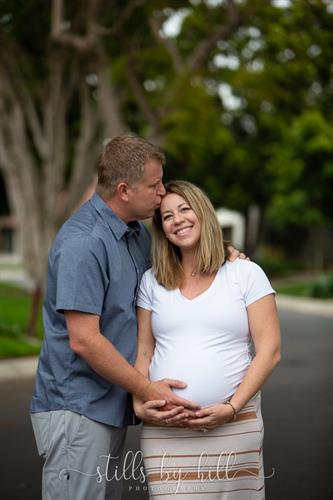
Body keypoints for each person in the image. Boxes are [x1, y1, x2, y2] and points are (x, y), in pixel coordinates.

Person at [29, 135, 243, 500]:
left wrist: (222, 250)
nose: (162, 192)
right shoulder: (85, 242)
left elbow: (174, 268)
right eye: (154, 184)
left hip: (108, 405)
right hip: (77, 409)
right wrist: (148, 389)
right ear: (125, 190)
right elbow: (84, 339)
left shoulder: (134, 236)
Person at [134, 180, 281, 499]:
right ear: (161, 228)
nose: (178, 220)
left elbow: (269, 351)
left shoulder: (246, 274)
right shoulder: (151, 281)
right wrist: (138, 404)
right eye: (167, 215)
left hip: (235, 425)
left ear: (203, 213)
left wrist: (231, 407)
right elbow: (144, 351)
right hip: (166, 432)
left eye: (185, 209)